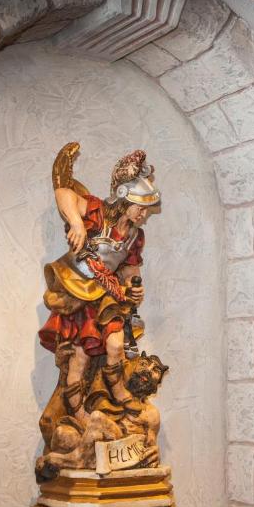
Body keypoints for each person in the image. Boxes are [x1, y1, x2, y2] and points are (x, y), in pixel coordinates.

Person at [38, 146, 160, 432]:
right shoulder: (98, 212)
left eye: (146, 208)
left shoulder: (135, 236)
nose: (144, 214)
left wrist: (134, 289)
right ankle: (78, 412)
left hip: (106, 296)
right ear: (124, 198)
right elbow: (64, 193)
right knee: (79, 358)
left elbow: (129, 271)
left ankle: (119, 393)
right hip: (78, 292)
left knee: (116, 345)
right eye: (140, 207)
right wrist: (77, 224)